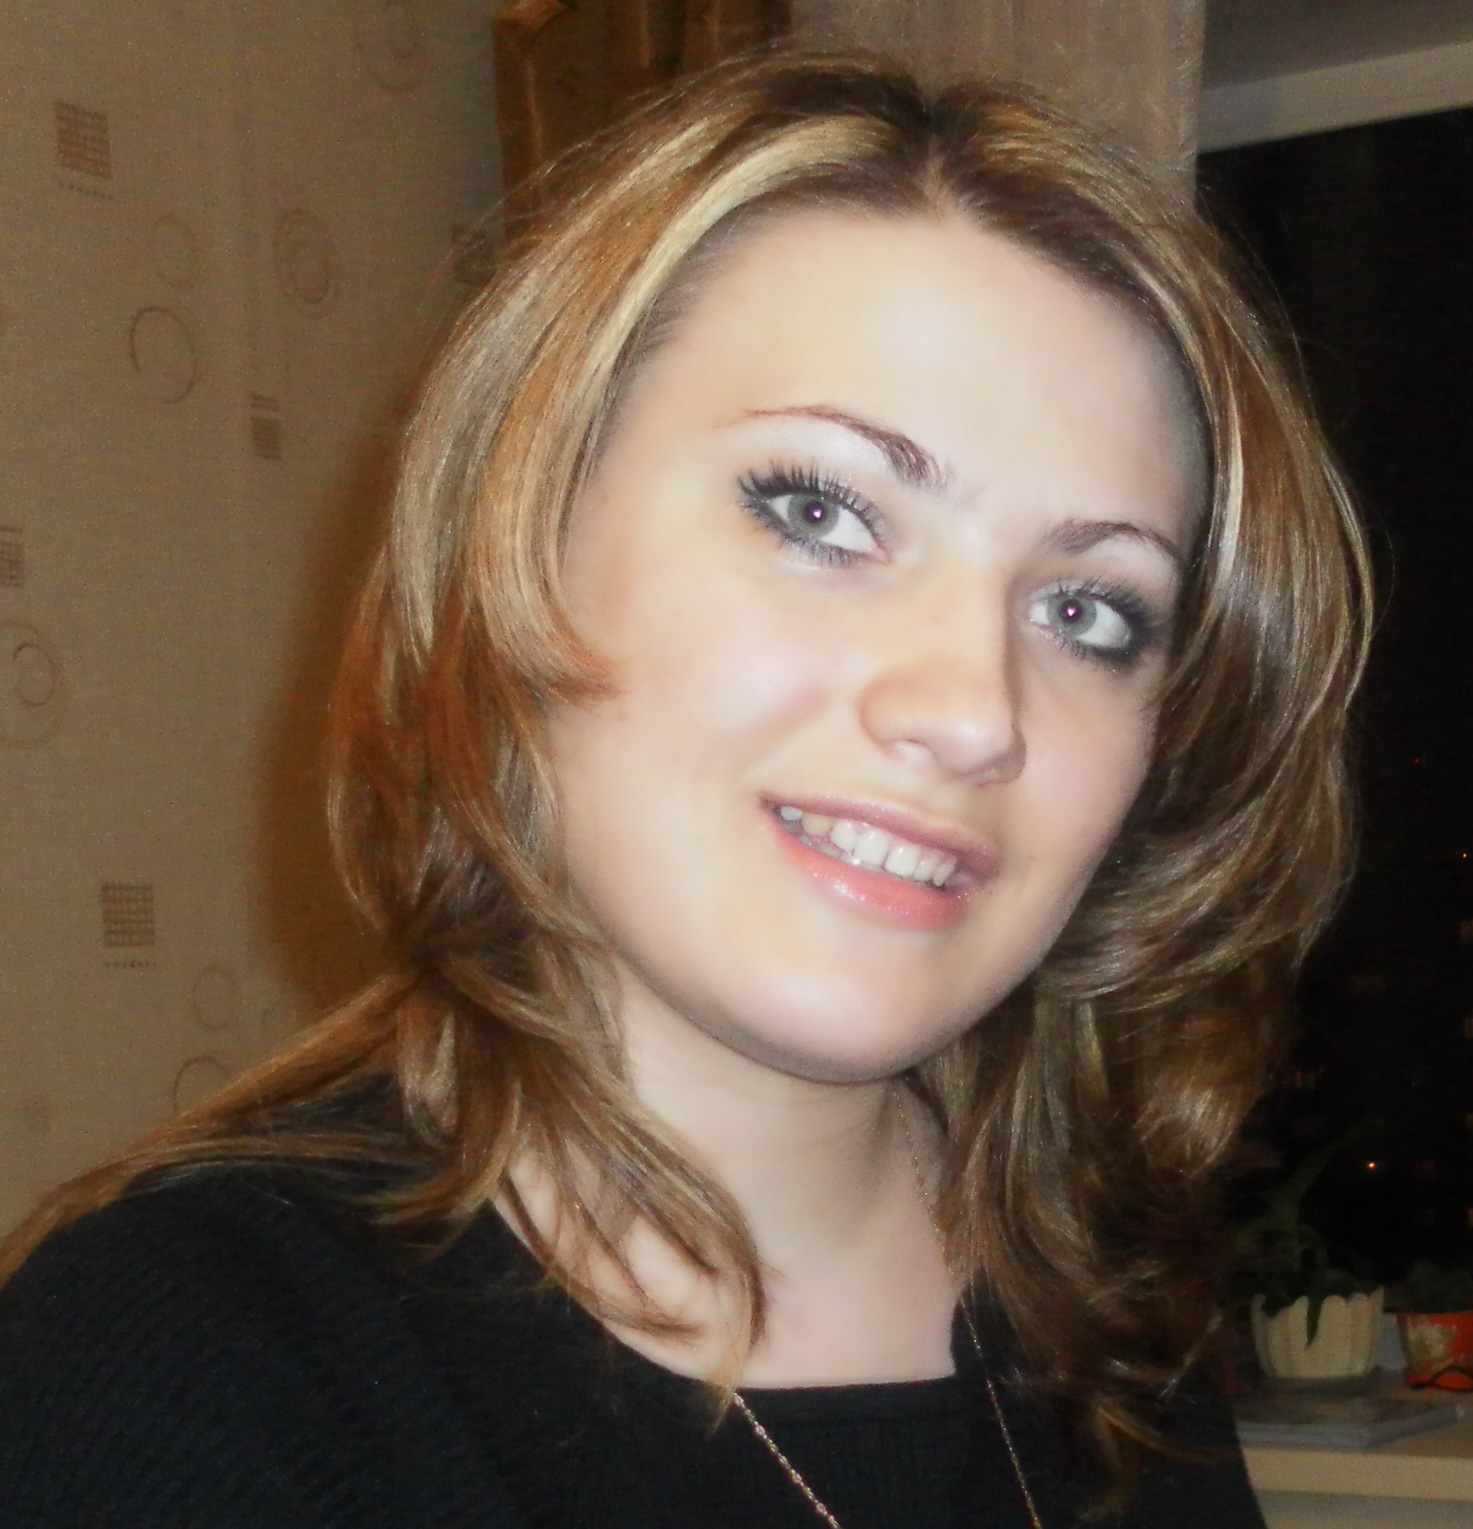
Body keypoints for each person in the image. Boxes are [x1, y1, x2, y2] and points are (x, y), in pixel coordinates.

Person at [0, 52, 1368, 1529]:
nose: (974, 708)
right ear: (523, 534)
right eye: (821, 511)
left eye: (1087, 611)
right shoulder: (173, 1368)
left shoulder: (1106, 1315)